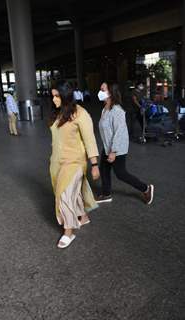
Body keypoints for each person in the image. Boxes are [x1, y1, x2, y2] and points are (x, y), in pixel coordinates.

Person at [49, 80, 100, 249]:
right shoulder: (58, 114)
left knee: (64, 195)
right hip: (57, 162)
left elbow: (90, 139)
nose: (54, 99)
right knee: (73, 192)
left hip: (75, 162)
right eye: (53, 96)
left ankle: (68, 232)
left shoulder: (80, 113)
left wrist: (94, 164)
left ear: (65, 95)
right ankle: (83, 217)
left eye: (57, 96)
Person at [96, 82, 154, 204]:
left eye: (103, 89)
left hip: (117, 148)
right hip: (108, 146)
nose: (100, 91)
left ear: (110, 93)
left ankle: (146, 188)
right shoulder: (105, 109)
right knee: (104, 169)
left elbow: (119, 132)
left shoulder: (117, 110)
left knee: (121, 173)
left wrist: (113, 151)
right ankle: (106, 194)